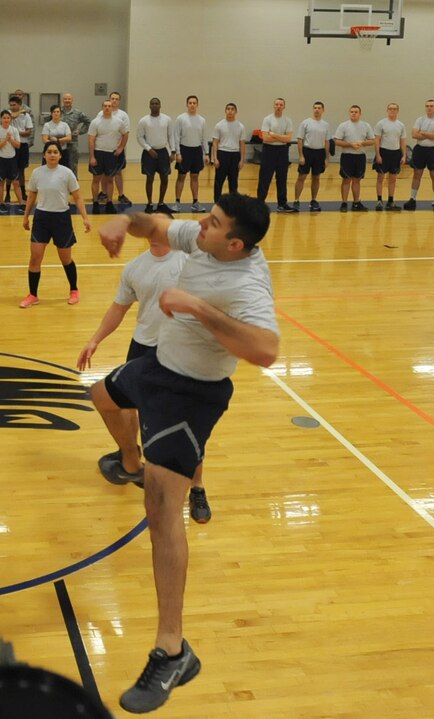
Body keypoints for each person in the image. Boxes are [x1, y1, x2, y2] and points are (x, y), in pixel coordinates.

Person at [92, 194, 278, 713]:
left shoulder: (247, 285)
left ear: (235, 244)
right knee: (100, 396)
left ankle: (173, 650)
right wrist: (118, 222)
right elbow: (150, 222)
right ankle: (129, 460)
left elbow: (266, 351)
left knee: (160, 511)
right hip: (156, 365)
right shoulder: (201, 239)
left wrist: (198, 307)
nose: (202, 224)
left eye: (214, 222)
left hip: (190, 394)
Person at [76, 239, 212, 524]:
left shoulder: (192, 262)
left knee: (189, 422)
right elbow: (118, 308)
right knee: (114, 400)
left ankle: (197, 487)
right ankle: (131, 461)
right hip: (142, 348)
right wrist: (95, 340)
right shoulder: (135, 267)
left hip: (181, 350)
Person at [19, 142, 91, 308]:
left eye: (55, 152)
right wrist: (25, 217)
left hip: (61, 219)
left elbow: (78, 197)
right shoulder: (37, 173)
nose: (52, 154)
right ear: (44, 155)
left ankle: (74, 290)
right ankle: (33, 295)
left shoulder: (67, 173)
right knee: (35, 258)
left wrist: (85, 218)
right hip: (42, 218)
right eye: (49, 152)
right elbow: (31, 196)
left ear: (60, 155)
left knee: (65, 259)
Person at [256, 98, 296, 212]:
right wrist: (281, 137)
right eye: (277, 104)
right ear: (274, 106)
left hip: (282, 151)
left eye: (281, 104)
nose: (278, 106)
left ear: (284, 107)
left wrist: (273, 134)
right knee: (265, 177)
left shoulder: (287, 120)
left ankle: (282, 204)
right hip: (269, 151)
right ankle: (260, 203)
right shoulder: (267, 119)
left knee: (282, 178)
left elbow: (288, 139)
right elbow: (265, 138)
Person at [88, 100, 129, 214]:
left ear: (112, 108)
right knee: (96, 179)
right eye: (105, 106)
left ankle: (109, 203)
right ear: (102, 107)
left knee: (110, 179)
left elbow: (125, 134)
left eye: (109, 106)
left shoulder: (119, 122)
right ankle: (96, 202)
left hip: (112, 154)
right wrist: (92, 156)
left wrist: (121, 147)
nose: (107, 108)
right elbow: (91, 140)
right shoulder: (95, 122)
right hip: (98, 153)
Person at [406, 99, 434, 211]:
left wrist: (422, 132)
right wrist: (430, 134)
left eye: (431, 106)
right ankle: (412, 199)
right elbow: (414, 134)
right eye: (427, 106)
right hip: (420, 150)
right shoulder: (420, 119)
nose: (429, 108)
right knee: (416, 175)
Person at [333, 105, 375, 212]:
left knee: (357, 180)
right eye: (351, 111)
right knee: (346, 180)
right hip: (347, 156)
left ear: (360, 114)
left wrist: (362, 143)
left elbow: (372, 140)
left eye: (356, 112)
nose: (353, 113)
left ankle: (356, 203)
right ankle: (344, 203)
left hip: (360, 157)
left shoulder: (366, 125)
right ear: (349, 113)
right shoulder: (343, 125)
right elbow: (337, 141)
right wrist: (351, 145)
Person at [137, 97, 175, 214]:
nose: (154, 105)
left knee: (164, 178)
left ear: (160, 105)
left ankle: (161, 203)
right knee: (150, 178)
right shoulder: (143, 121)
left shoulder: (167, 119)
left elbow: (170, 136)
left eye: (157, 103)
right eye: (152, 104)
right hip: (149, 153)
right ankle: (149, 203)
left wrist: (173, 151)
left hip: (163, 152)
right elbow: (139, 137)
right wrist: (149, 149)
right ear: (149, 106)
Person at [171, 96, 208, 212]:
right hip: (184, 150)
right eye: (190, 103)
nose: (192, 105)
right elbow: (176, 136)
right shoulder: (181, 119)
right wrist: (177, 152)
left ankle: (195, 202)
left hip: (196, 151)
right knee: (181, 177)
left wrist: (206, 153)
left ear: (197, 105)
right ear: (187, 104)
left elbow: (204, 138)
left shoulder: (202, 120)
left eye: (194, 103)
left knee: (195, 177)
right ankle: (177, 202)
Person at [293, 101, 330, 212]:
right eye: (315, 108)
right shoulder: (306, 123)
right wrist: (301, 156)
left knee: (316, 177)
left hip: (319, 153)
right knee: (302, 177)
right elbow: (300, 139)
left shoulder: (325, 125)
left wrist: (326, 158)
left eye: (319, 108)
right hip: (307, 151)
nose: (316, 110)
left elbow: (327, 141)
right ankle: (296, 200)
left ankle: (313, 200)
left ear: (323, 110)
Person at [373, 102, 406, 212]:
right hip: (384, 152)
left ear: (398, 111)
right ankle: (379, 200)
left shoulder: (401, 125)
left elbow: (402, 141)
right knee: (380, 178)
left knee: (392, 179)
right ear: (387, 110)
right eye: (390, 109)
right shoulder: (381, 123)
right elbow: (376, 140)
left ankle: (390, 201)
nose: (392, 110)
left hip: (395, 153)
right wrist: (378, 154)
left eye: (394, 109)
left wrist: (404, 155)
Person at [210, 103, 246, 202]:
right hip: (222, 154)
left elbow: (242, 144)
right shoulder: (219, 125)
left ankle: (233, 203)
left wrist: (242, 160)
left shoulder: (241, 126)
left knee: (233, 181)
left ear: (236, 111)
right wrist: (215, 158)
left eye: (232, 109)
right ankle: (217, 202)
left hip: (235, 155)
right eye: (228, 109)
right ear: (225, 111)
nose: (230, 111)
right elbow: (215, 143)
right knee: (219, 181)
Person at [0, 110, 23, 215]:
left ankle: (21, 203)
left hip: (12, 159)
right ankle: (1, 203)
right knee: (1, 182)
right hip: (0, 159)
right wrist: (5, 140)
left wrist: (10, 140)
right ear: (1, 119)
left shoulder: (14, 130)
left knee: (16, 182)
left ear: (10, 119)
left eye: (8, 118)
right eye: (4, 118)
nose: (6, 120)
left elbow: (18, 145)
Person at [108, 92, 133, 205]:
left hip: (117, 149)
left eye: (116, 99)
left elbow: (126, 133)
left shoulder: (123, 115)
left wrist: (121, 148)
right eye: (112, 98)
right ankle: (104, 194)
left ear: (119, 101)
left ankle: (121, 195)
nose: (114, 101)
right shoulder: (101, 114)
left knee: (118, 173)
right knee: (105, 173)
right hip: (104, 149)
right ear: (109, 99)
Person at [9, 95, 34, 202]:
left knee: (21, 170)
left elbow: (28, 131)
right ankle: (7, 194)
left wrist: (17, 132)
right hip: (11, 145)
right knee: (9, 170)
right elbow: (11, 118)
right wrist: (18, 113)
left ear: (19, 105)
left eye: (14, 105)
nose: (12, 107)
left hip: (23, 145)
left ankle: (23, 192)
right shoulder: (8, 114)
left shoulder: (26, 116)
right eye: (11, 105)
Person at [59, 92, 91, 177]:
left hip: (72, 142)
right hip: (60, 142)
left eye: (69, 99)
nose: (67, 100)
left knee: (72, 164)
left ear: (72, 100)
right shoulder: (58, 111)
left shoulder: (77, 113)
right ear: (63, 100)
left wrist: (80, 131)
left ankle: (73, 185)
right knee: (60, 164)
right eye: (65, 99)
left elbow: (88, 121)